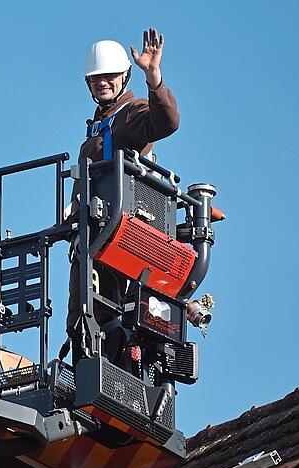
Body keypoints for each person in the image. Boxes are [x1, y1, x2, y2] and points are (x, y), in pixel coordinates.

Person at [67, 29, 180, 362]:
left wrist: (154, 78)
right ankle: (85, 381)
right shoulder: (98, 128)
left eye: (110, 76)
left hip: (120, 234)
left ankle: (113, 376)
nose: (102, 82)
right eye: (95, 77)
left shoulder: (130, 115)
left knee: (111, 318)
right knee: (83, 317)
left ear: (124, 76)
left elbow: (167, 121)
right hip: (94, 234)